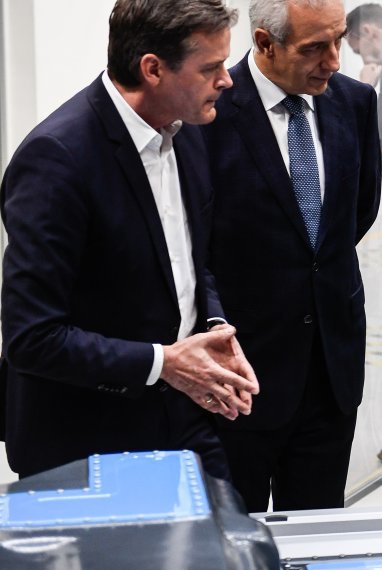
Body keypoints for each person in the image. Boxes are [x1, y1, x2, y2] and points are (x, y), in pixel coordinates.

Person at [0, 0, 258, 480]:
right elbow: (31, 337)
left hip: (183, 418)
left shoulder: (186, 132)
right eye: (210, 67)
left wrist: (214, 326)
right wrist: (164, 363)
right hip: (86, 438)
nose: (227, 80)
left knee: (225, 524)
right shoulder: (57, 159)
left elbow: (189, 262)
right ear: (153, 69)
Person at [203, 0, 381, 512]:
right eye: (315, 47)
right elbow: (195, 243)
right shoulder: (210, 110)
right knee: (234, 533)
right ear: (265, 43)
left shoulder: (355, 102)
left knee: (319, 529)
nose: (335, 60)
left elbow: (357, 213)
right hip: (240, 373)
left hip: (330, 371)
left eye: (339, 39)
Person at [346, 3, 382, 231]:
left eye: (358, 51)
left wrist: (364, 89)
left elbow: (381, 135)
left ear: (369, 32)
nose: (363, 60)